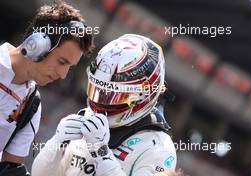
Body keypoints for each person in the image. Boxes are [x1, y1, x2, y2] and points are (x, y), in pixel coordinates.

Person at [31, 34, 177, 176]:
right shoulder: (86, 119)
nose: (103, 102)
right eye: (99, 91)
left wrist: (101, 153)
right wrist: (56, 144)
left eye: (114, 95)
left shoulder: (159, 148)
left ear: (145, 94)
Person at [0, 0, 94, 175]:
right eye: (61, 62)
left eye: (69, 67)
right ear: (37, 44)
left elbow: (9, 170)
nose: (63, 75)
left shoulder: (32, 106)